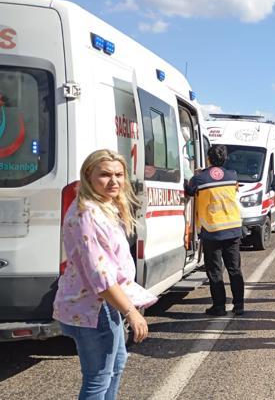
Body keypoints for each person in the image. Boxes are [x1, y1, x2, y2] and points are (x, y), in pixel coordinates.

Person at [53, 149, 157, 400]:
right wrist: (131, 312)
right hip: (93, 306)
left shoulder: (103, 206)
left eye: (119, 175)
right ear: (88, 175)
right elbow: (99, 276)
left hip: (104, 303)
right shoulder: (87, 213)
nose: (114, 181)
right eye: (105, 175)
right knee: (98, 378)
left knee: (116, 366)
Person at [185, 145, 245, 316]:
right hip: (233, 227)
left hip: (212, 230)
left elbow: (189, 191)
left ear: (208, 158)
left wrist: (196, 175)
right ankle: (239, 305)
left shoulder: (199, 178)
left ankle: (219, 306)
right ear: (225, 159)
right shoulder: (233, 175)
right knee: (234, 269)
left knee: (215, 271)